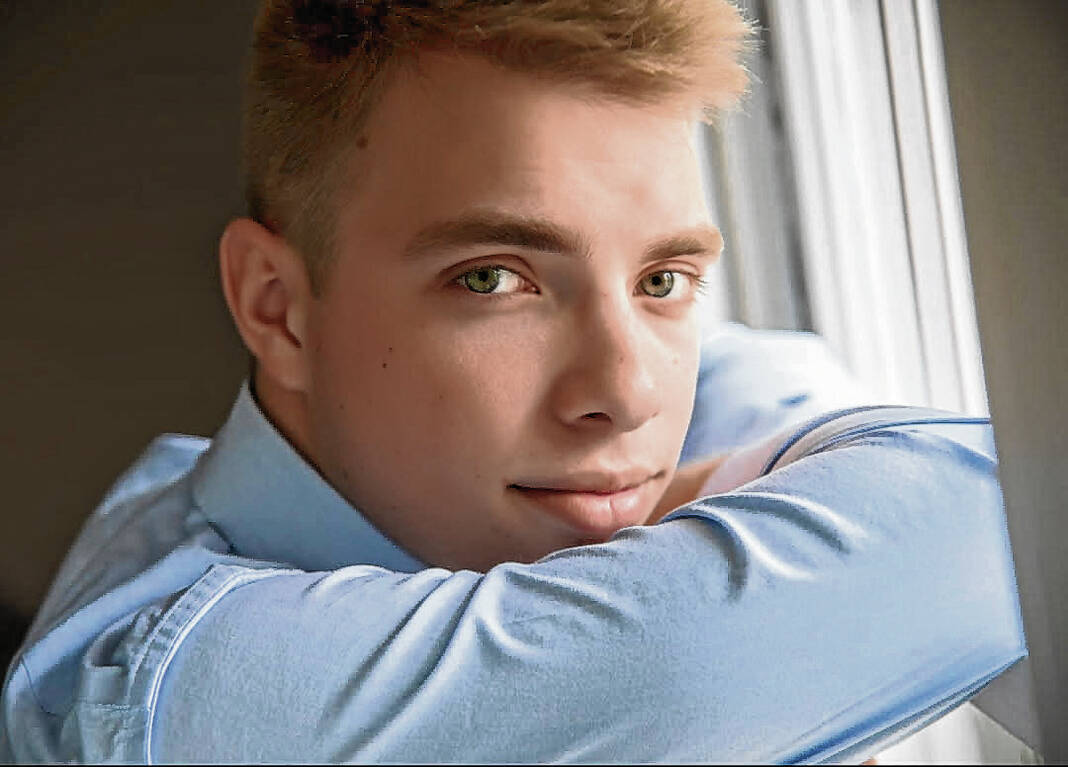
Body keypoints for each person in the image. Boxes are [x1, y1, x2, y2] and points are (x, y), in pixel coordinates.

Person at [0, 0, 1024, 762]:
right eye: (494, 278)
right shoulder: (174, 698)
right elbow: (996, 513)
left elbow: (762, 367)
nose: (628, 391)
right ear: (278, 308)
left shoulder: (434, 467)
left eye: (662, 279)